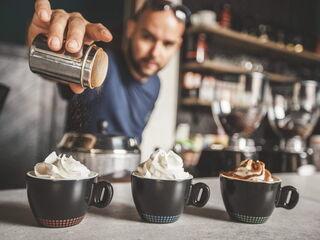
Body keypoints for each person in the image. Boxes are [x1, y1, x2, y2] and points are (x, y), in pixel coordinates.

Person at [27, 0, 191, 143]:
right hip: (81, 171)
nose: (155, 52)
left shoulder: (155, 84)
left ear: (178, 45)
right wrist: (46, 48)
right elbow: (65, 76)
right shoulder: (102, 64)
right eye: (148, 37)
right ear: (130, 29)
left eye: (168, 44)